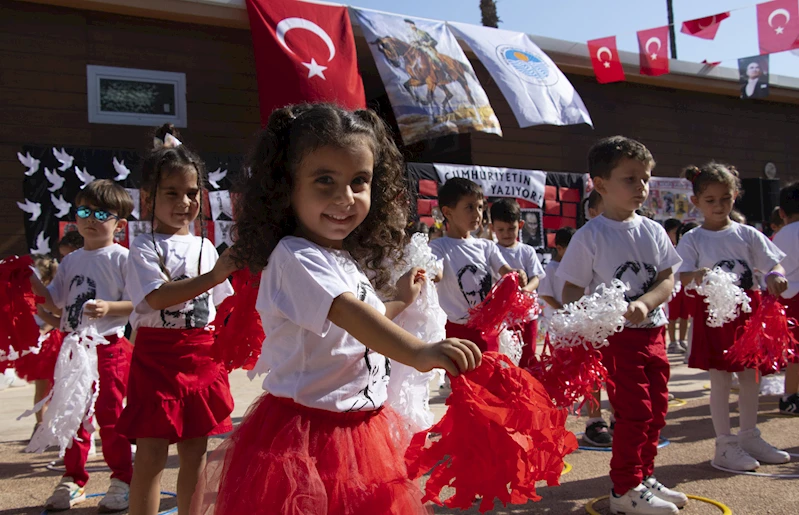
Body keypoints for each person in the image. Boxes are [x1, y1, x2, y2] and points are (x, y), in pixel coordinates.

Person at [190, 103, 481, 515]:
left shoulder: (338, 257)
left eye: (359, 181)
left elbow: (364, 319)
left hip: (360, 429)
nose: (345, 198)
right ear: (286, 186)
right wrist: (418, 352)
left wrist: (401, 298)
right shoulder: (295, 256)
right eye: (325, 180)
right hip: (311, 437)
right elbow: (348, 312)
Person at [559, 136, 686, 514]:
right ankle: (624, 489)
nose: (642, 187)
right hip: (618, 341)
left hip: (655, 333)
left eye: (645, 178)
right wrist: (595, 318)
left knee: (658, 409)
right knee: (635, 412)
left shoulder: (653, 229)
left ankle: (644, 476)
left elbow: (667, 278)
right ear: (600, 184)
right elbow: (569, 290)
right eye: (630, 179)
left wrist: (645, 302)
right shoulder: (590, 236)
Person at [117, 125, 236, 515]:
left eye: (191, 193)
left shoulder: (205, 246)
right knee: (150, 454)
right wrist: (215, 275)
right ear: (148, 199)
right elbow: (155, 297)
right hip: (156, 359)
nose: (184, 202)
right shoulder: (142, 246)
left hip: (201, 358)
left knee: (195, 453)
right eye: (172, 193)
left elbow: (222, 308)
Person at [30, 179, 135, 512]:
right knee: (72, 414)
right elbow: (57, 303)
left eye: (101, 213)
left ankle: (121, 479)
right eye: (84, 211)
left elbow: (140, 301)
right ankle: (73, 478)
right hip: (73, 350)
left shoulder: (122, 257)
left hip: (109, 348)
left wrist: (110, 308)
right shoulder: (72, 260)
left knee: (110, 415)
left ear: (119, 224)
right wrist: (30, 284)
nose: (91, 218)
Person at [677, 162, 789, 472]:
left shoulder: (747, 233)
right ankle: (724, 445)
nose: (718, 205)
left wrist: (775, 277)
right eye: (710, 200)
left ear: (735, 196)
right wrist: (696, 275)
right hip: (714, 315)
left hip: (747, 315)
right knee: (720, 380)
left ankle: (750, 436)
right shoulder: (693, 239)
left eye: (725, 198)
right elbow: (682, 276)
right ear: (697, 202)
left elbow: (774, 264)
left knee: (751, 378)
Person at [430, 178, 527, 353]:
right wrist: (428, 270)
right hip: (456, 331)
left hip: (487, 330)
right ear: (448, 212)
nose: (477, 214)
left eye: (480, 207)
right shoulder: (439, 246)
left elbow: (506, 271)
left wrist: (518, 274)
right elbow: (436, 273)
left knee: (489, 375)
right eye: (469, 207)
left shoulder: (487, 246)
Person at [489, 198, 545, 368]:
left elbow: (536, 277)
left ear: (520, 225)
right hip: (502, 318)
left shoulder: (527, 251)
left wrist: (525, 290)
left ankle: (527, 391)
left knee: (527, 356)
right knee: (504, 357)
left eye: (511, 228)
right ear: (492, 229)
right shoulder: (491, 250)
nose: (506, 233)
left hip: (526, 316)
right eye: (501, 229)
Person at [14, 255, 61, 440]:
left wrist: (44, 329)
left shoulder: (51, 292)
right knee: (42, 387)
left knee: (56, 386)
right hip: (38, 343)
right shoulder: (29, 292)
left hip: (51, 341)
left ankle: (51, 426)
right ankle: (41, 425)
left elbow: (56, 315)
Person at [770, 183, 799, 415]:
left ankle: (790, 395)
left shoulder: (780, 235)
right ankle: (790, 397)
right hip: (794, 296)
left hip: (786, 297)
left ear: (782, 212)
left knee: (793, 352)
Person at [663, 219, 688, 354]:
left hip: (683, 285)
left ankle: (682, 340)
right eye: (674, 232)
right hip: (671, 285)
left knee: (685, 315)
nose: (677, 235)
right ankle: (673, 342)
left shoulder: (684, 246)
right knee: (672, 316)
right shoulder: (665, 246)